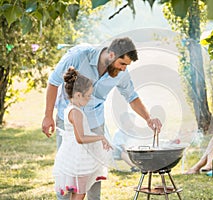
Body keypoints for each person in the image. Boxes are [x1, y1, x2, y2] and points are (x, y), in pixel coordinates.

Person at [42, 37, 162, 200]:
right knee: (69, 168)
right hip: (69, 120)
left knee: (93, 170)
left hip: (95, 122)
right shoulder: (79, 55)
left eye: (126, 65)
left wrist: (148, 119)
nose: (123, 69)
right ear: (111, 54)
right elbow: (53, 82)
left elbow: (131, 97)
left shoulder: (121, 73)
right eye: (122, 64)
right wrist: (48, 116)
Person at [53, 67, 113, 200]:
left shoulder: (70, 109)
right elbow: (80, 138)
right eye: (88, 96)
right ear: (78, 95)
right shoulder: (76, 112)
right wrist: (101, 137)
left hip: (74, 156)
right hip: (79, 160)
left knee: (79, 192)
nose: (89, 99)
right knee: (79, 193)